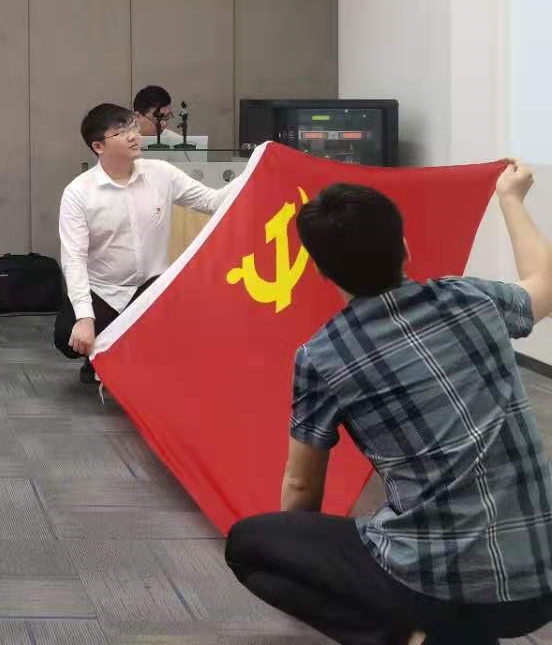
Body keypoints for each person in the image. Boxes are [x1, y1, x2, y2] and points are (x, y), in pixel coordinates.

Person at [224, 172, 552, 645]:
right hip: (538, 585)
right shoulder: (472, 299)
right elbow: (544, 282)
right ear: (404, 247)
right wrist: (511, 197)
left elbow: (301, 486)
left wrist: (304, 552)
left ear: (320, 270)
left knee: (250, 546)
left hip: (434, 587)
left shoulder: (324, 355)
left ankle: (410, 639)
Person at [53, 103, 231, 383]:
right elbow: (74, 258)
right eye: (121, 132)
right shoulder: (78, 193)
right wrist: (85, 318)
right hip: (105, 289)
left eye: (133, 127)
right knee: (67, 337)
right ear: (99, 147)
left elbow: (212, 201)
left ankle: (126, 357)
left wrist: (257, 168)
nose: (134, 136)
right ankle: (101, 356)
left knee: (190, 327)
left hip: (151, 286)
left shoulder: (162, 173)